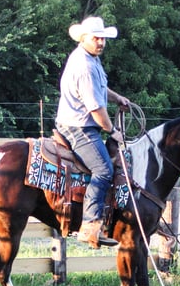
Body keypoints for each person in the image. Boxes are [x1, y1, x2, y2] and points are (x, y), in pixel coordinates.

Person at [55, 16, 131, 248]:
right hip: (79, 127)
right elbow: (96, 108)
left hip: (76, 122)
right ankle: (89, 226)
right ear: (84, 38)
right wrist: (112, 130)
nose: (100, 42)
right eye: (96, 38)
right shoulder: (86, 66)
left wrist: (117, 97)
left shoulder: (88, 58)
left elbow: (100, 88)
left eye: (103, 38)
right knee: (104, 169)